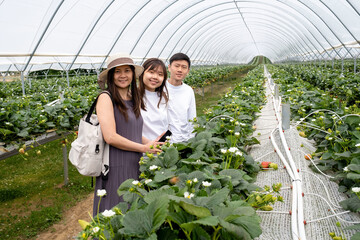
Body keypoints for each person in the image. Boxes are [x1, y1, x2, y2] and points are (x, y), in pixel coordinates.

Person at [93, 54, 161, 215]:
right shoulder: (105, 98)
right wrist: (143, 147)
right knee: (115, 208)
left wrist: (150, 143)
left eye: (126, 71)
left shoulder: (133, 97)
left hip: (134, 162)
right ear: (111, 75)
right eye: (117, 72)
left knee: (132, 209)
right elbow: (110, 136)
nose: (123, 75)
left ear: (132, 74)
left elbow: (133, 131)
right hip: (116, 163)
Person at [166, 53, 196, 143]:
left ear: (188, 71)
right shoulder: (160, 88)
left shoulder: (188, 90)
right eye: (176, 66)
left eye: (184, 67)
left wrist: (191, 138)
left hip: (184, 140)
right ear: (169, 67)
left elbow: (192, 116)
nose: (180, 70)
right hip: (165, 141)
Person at [139, 58, 169, 140]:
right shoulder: (133, 97)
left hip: (162, 149)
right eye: (151, 72)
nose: (155, 77)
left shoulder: (163, 97)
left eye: (160, 74)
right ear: (142, 73)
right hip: (142, 149)